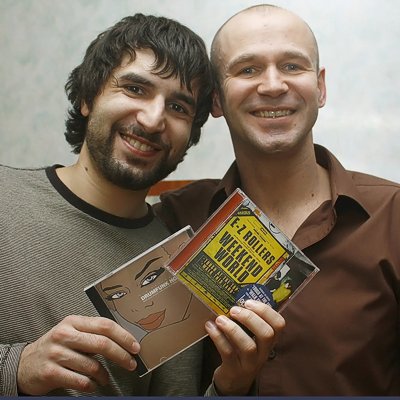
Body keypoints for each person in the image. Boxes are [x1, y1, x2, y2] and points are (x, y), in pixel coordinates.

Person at [0, 13, 285, 396]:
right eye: (135, 89)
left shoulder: (178, 267)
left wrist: (230, 386)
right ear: (87, 98)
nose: (152, 121)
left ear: (191, 134)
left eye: (179, 108)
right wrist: (16, 366)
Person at [155, 4, 400, 396]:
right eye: (247, 69)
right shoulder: (175, 220)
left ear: (320, 87)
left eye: (291, 66)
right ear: (216, 100)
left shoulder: (393, 216)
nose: (272, 85)